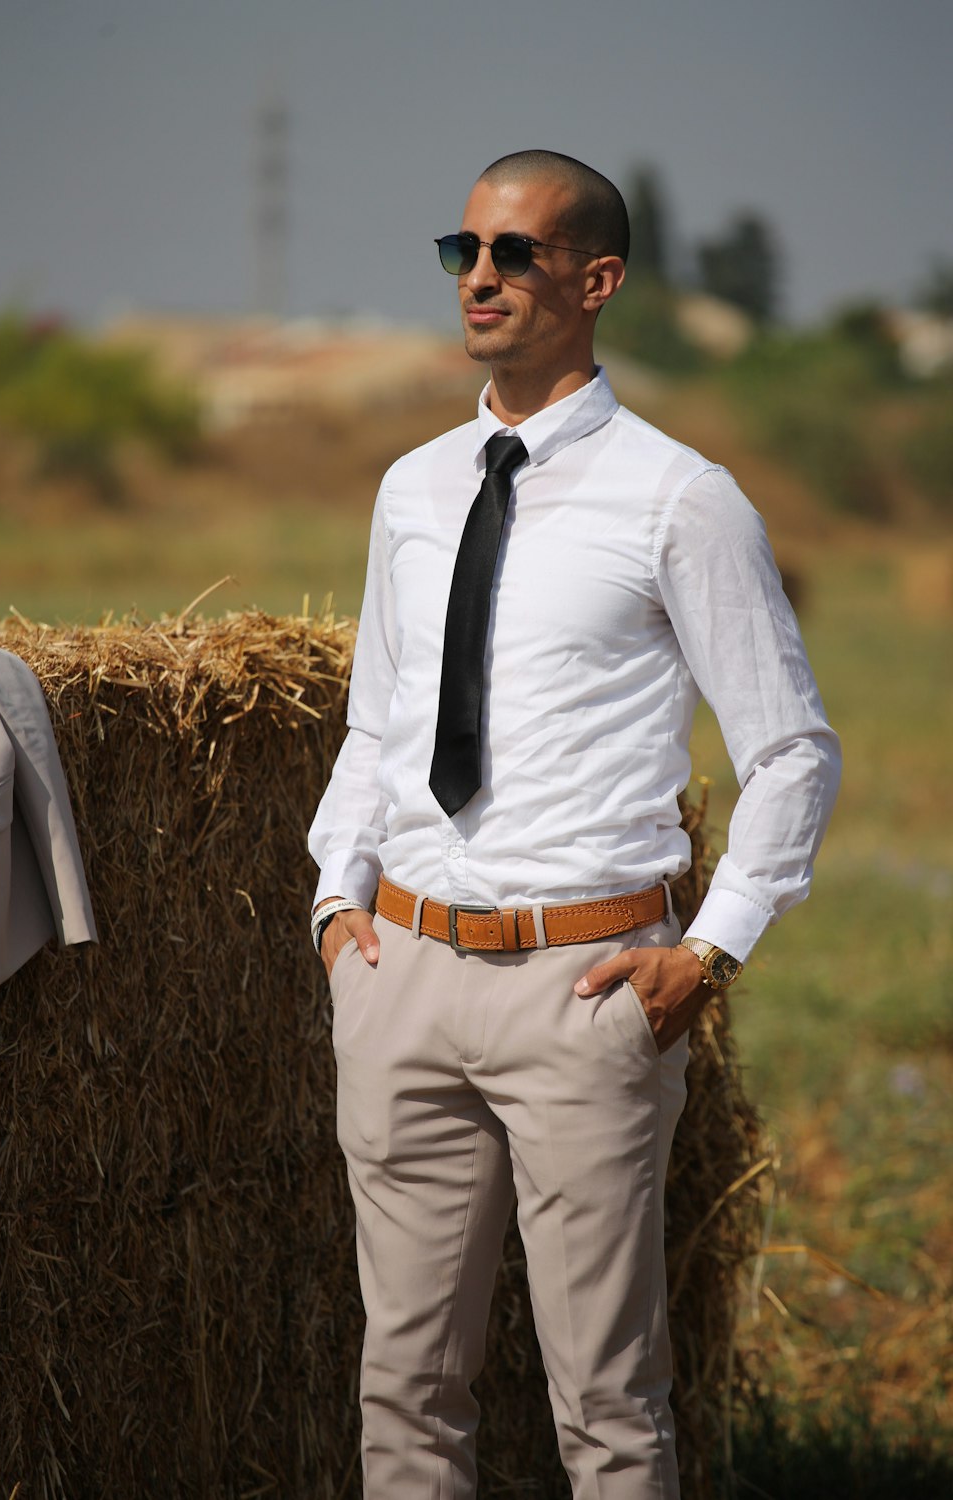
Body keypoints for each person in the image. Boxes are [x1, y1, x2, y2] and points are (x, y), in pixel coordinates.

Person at [308, 150, 840, 1500]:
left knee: (607, 1402)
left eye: (513, 255)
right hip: (403, 981)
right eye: (463, 251)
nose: (478, 278)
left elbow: (790, 750)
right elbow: (379, 721)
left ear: (596, 281)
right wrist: (336, 901)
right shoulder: (413, 489)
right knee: (404, 1387)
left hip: (589, 991)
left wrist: (704, 955)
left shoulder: (681, 497)